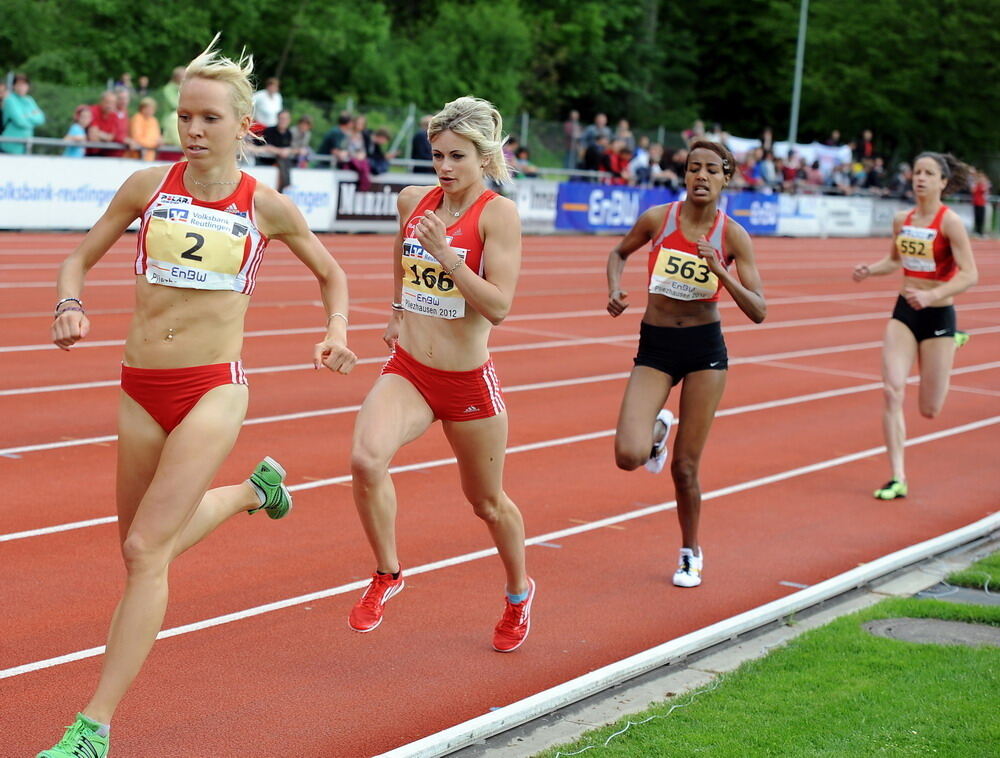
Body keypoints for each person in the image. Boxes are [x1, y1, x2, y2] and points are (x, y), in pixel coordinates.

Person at [38, 37, 356, 758]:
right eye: (185, 114)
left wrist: (335, 330)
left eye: (209, 117)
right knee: (139, 549)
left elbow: (332, 275)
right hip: (138, 386)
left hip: (213, 387)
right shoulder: (147, 188)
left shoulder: (265, 206)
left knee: (148, 548)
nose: (193, 128)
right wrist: (68, 304)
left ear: (244, 125)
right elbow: (76, 258)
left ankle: (93, 728)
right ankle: (251, 493)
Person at [348, 96, 533, 652]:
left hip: (467, 380)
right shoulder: (413, 200)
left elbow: (498, 306)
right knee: (364, 459)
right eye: (437, 155)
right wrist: (398, 309)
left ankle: (519, 594)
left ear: (484, 157)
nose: (445, 167)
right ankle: (387, 572)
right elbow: (402, 257)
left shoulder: (498, 215)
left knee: (487, 503)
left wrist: (447, 255)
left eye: (458, 156)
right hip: (411, 370)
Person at [606, 140, 766, 588]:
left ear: (725, 177)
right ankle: (657, 430)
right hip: (656, 344)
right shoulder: (659, 219)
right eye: (693, 167)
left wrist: (721, 272)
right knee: (627, 455)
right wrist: (615, 288)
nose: (701, 176)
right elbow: (619, 252)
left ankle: (689, 552)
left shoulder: (733, 235)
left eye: (711, 169)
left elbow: (759, 310)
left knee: (685, 468)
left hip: (704, 351)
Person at [852, 152, 978, 501]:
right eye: (917, 172)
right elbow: (894, 260)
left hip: (938, 316)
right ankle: (897, 476)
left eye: (929, 173)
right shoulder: (901, 220)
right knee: (892, 391)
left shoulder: (949, 222)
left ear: (942, 182)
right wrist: (870, 270)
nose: (920, 178)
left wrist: (935, 293)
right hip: (905, 311)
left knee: (929, 409)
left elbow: (970, 273)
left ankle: (952, 341)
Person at [1, 73, 45, 154]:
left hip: (25, 146)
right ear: (14, 86)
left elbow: (41, 119)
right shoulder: (10, 100)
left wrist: (26, 116)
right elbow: (20, 121)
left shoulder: (29, 100)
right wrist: (32, 116)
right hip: (9, 146)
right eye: (19, 85)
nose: (22, 87)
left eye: (24, 84)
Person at [129, 96, 162, 161]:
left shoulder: (154, 120)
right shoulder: (137, 118)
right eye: (147, 108)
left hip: (150, 156)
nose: (150, 111)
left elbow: (157, 137)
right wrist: (154, 144)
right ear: (141, 108)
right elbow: (137, 138)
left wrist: (159, 141)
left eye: (152, 109)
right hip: (137, 156)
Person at [970, 168, 990, 237]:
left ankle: (980, 231)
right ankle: (976, 230)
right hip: (976, 203)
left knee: (981, 218)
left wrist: (983, 183)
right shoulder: (976, 185)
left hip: (982, 203)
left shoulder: (984, 185)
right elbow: (973, 191)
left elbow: (985, 191)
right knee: (977, 217)